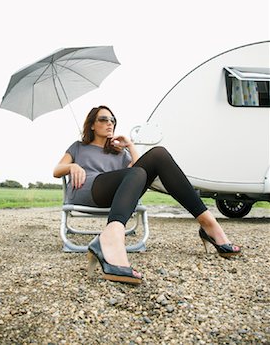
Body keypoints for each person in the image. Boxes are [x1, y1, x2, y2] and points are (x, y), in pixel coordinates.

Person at [53, 105, 241, 285]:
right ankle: (111, 238)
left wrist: (130, 146)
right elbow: (57, 170)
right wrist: (72, 165)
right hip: (88, 188)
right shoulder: (79, 147)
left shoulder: (119, 153)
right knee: (137, 172)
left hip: (117, 196)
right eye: (103, 119)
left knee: (158, 154)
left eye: (113, 120)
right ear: (92, 124)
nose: (110, 123)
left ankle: (208, 224)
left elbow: (139, 174)